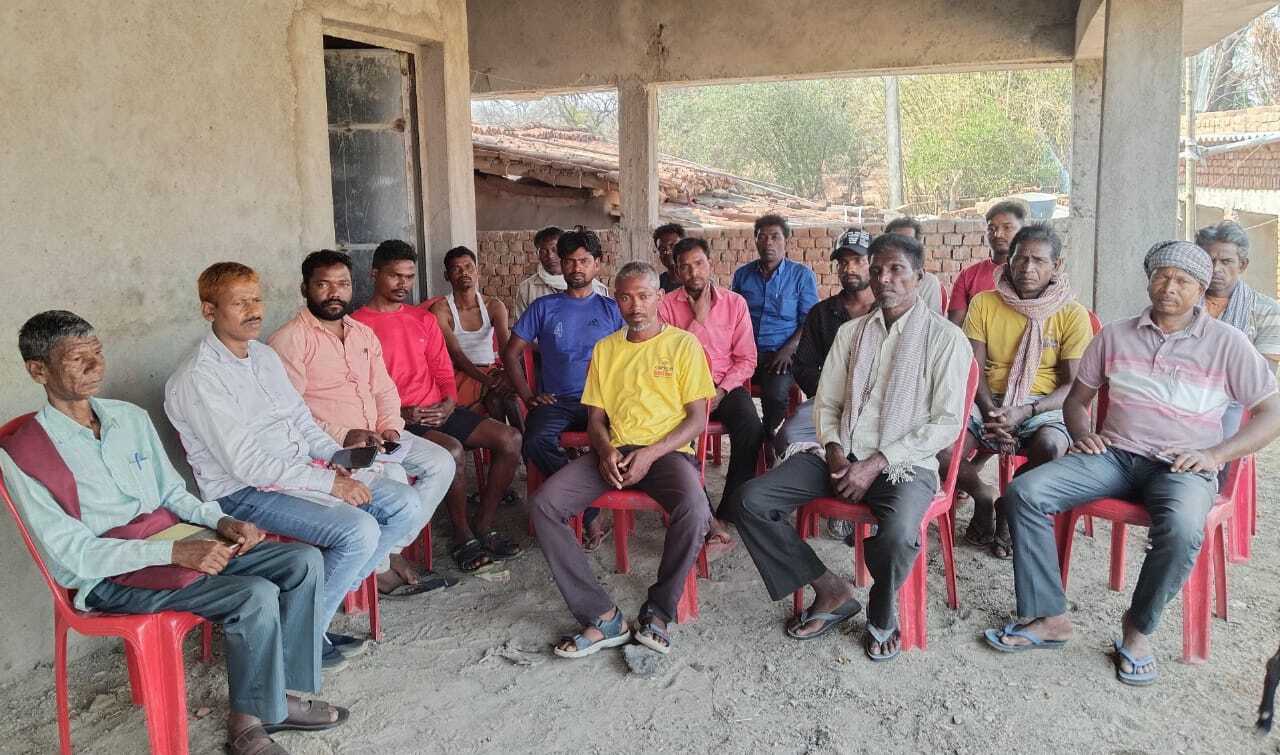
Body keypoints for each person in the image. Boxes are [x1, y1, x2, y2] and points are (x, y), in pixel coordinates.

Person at [2, 310, 346, 755]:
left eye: (98, 352)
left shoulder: (128, 418)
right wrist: (174, 554)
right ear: (38, 370)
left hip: (175, 541)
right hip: (111, 575)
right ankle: (248, 723)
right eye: (76, 358)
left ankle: (280, 697)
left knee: (301, 561)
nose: (94, 365)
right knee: (254, 594)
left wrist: (219, 521)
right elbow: (75, 555)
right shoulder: (25, 453)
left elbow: (171, 491)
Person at [985, 241, 1280, 688]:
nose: (1169, 287)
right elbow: (1077, 400)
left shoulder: (1228, 343)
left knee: (1182, 527)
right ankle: (1049, 617)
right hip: (1116, 457)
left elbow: (1272, 412)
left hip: (1182, 466)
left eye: (1182, 281)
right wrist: (1082, 434)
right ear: (1149, 280)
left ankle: (1137, 630)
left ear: (1201, 289)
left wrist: (1215, 455)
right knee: (1025, 492)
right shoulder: (1116, 335)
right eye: (1162, 276)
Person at [166, 262, 427, 670]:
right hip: (242, 493)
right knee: (358, 531)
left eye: (256, 300)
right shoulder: (200, 378)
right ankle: (298, 640)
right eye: (239, 303)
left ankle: (308, 620)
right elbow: (248, 466)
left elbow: (301, 422)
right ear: (208, 310)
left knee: (404, 504)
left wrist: (336, 458)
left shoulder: (263, 356)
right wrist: (327, 482)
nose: (253, 310)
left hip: (296, 469)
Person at [735, 233, 973, 662]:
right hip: (843, 454)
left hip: (904, 464)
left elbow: (946, 424)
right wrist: (834, 451)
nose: (884, 279)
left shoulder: (945, 339)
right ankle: (831, 589)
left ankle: (882, 606)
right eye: (877, 270)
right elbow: (827, 404)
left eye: (896, 269)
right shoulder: (851, 333)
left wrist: (877, 462)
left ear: (920, 276)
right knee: (750, 500)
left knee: (898, 534)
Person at [530, 262, 715, 658]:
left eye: (644, 296)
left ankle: (659, 611)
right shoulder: (606, 349)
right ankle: (602, 616)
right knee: (545, 504)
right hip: (614, 455)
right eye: (626, 297)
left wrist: (649, 453)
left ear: (659, 297)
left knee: (695, 509)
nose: (636, 306)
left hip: (666, 453)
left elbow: (696, 419)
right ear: (616, 301)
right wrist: (605, 450)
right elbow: (596, 420)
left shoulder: (683, 345)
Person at [267, 249, 457, 596]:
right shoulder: (289, 341)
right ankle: (376, 572)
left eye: (342, 284)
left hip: (377, 437)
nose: (334, 293)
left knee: (441, 462)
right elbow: (289, 415)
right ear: (305, 288)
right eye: (323, 284)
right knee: (395, 480)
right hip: (331, 447)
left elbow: (383, 388)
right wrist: (344, 434)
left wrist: (390, 427)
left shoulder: (361, 333)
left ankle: (387, 552)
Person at [352, 240, 524, 572]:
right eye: (395, 276)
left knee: (510, 438)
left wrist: (449, 402)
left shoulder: (422, 319)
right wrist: (400, 413)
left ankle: (483, 523)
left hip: (438, 407)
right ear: (374, 274)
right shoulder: (357, 326)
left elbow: (444, 370)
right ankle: (462, 535)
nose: (403, 284)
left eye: (409, 277)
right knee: (452, 450)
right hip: (399, 419)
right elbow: (358, 388)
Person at [953, 224, 1092, 560]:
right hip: (987, 399)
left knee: (1051, 446)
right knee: (941, 449)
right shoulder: (985, 303)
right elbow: (973, 369)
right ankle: (983, 495)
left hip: (1042, 404)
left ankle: (1010, 502)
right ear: (1008, 261)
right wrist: (991, 410)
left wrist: (1025, 411)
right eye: (1021, 259)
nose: (1028, 268)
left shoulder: (1072, 313)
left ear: (1056, 266)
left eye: (1039, 261)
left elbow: (1073, 386)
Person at [500, 228, 624, 551]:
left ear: (598, 264)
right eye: (570, 261)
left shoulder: (613, 309)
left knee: (629, 439)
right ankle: (591, 507)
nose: (576, 268)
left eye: (584, 261)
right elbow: (510, 353)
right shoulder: (544, 307)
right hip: (558, 401)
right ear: (562, 264)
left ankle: (583, 502)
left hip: (604, 403)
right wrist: (528, 396)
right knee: (535, 439)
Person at [658, 236, 762, 545]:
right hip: (680, 390)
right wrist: (699, 320)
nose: (693, 273)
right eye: (685, 267)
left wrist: (721, 391)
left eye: (699, 264)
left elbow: (747, 359)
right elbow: (666, 357)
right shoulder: (664, 307)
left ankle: (731, 508)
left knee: (751, 427)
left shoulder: (734, 303)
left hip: (723, 386)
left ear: (710, 263)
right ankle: (702, 512)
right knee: (676, 439)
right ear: (676, 271)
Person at [775, 230, 876, 455]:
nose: (849, 268)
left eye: (858, 260)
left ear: (873, 263)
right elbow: (804, 367)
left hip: (879, 404)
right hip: (831, 402)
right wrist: (834, 392)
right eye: (843, 263)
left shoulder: (887, 311)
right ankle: (818, 470)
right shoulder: (822, 313)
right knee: (787, 437)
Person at [731, 213, 819, 433]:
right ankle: (750, 435)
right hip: (747, 354)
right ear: (755, 241)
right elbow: (734, 317)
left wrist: (789, 350)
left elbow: (809, 321)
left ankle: (768, 436)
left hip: (782, 354)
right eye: (762, 237)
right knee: (729, 391)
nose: (768, 242)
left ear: (785, 240)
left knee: (776, 395)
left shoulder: (801, 276)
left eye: (775, 237)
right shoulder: (742, 275)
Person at [1196, 220, 1280, 438]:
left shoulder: (1266, 311)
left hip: (1233, 411)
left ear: (1242, 265)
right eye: (1209, 260)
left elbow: (1260, 380)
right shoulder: (1183, 303)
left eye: (1226, 261)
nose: (1216, 269)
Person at [429, 246, 522, 432]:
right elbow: (456, 355)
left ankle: (520, 443)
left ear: (477, 271)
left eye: (468, 267)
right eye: (456, 269)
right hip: (460, 374)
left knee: (504, 397)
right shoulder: (441, 310)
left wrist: (506, 375)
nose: (464, 273)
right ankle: (511, 443)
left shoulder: (494, 306)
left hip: (490, 371)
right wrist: (487, 381)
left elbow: (506, 349)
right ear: (447, 276)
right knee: (497, 397)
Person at [948, 201, 1026, 326]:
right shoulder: (968, 276)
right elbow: (955, 328)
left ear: (1022, 231)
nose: (998, 234)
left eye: (1007, 228)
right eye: (991, 228)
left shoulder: (1031, 274)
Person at [514, 226, 609, 318]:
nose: (550, 256)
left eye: (555, 250)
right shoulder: (527, 290)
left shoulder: (598, 290)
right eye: (543, 251)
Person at [883, 216, 945, 313]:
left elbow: (932, 320)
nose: (901, 248)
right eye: (895, 242)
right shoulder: (877, 278)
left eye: (908, 244)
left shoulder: (928, 282)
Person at [654, 223, 686, 293]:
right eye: (662, 249)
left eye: (673, 246)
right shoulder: (656, 285)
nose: (668, 252)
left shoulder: (697, 282)